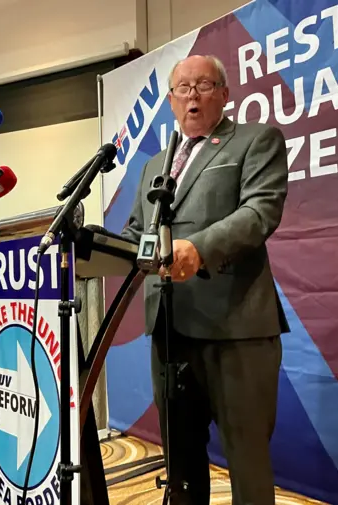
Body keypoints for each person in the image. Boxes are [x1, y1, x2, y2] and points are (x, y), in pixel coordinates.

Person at [122, 55, 289, 505]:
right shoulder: (154, 163)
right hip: (169, 331)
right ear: (171, 100)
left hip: (234, 328)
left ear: (224, 93)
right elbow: (136, 234)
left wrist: (199, 248)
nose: (191, 96)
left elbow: (259, 212)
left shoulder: (256, 140)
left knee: (248, 465)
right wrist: (89, 250)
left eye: (203, 86)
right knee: (181, 464)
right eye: (182, 88)